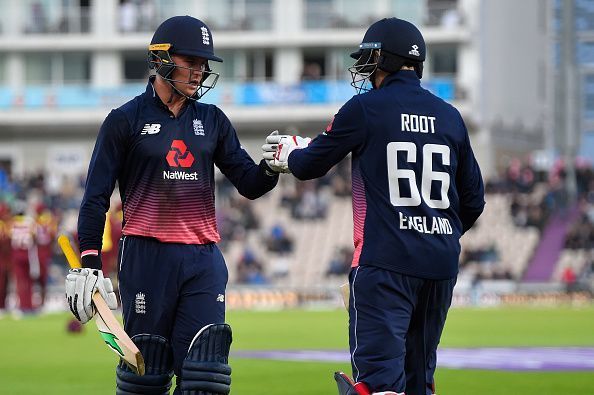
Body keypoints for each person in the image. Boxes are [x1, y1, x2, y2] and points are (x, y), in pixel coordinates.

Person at [263, 17, 485, 395]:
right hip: (440, 265)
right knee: (419, 381)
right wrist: (431, 230)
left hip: (385, 265)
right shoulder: (450, 116)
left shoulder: (366, 108)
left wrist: (289, 154)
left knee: (379, 384)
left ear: (386, 59)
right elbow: (474, 201)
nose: (364, 67)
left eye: (369, 58)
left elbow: (309, 165)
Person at [65, 15, 279, 395]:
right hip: (147, 258)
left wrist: (272, 167)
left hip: (202, 259)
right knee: (146, 376)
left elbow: (249, 183)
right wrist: (91, 264)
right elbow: (96, 197)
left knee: (206, 376)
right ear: (162, 58)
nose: (200, 72)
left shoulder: (212, 120)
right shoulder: (124, 120)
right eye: (191, 62)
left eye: (204, 64)